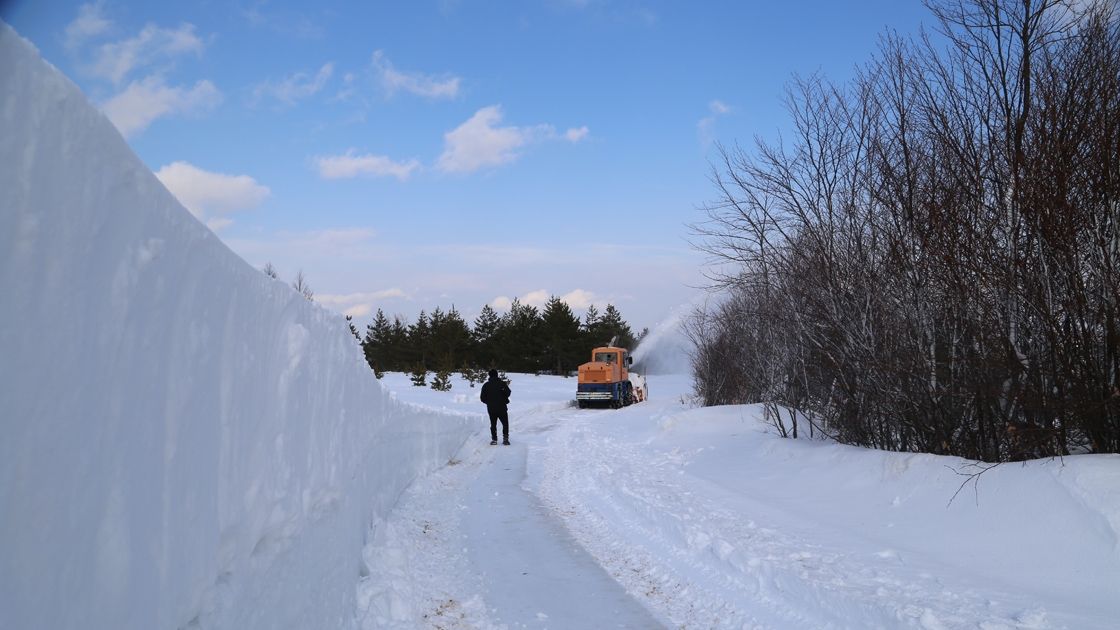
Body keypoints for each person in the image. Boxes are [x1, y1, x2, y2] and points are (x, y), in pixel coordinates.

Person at [479, 369, 511, 445]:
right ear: (497, 375)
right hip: (502, 407)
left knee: (493, 424)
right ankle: (505, 439)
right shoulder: (502, 384)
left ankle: (494, 439)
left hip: (491, 408)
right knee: (505, 423)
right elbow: (508, 393)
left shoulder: (486, 385)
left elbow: (482, 398)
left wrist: (489, 402)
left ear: (489, 375)